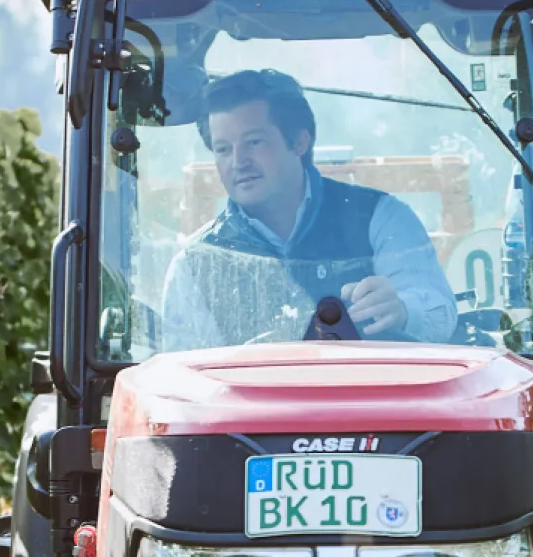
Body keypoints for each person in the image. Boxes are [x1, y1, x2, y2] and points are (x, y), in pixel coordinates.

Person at [159, 69, 457, 349]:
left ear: (300, 141)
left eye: (254, 142)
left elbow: (441, 315)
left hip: (372, 400)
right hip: (251, 405)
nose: (238, 161)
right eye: (223, 149)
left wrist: (404, 310)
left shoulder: (381, 217)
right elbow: (183, 375)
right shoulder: (195, 263)